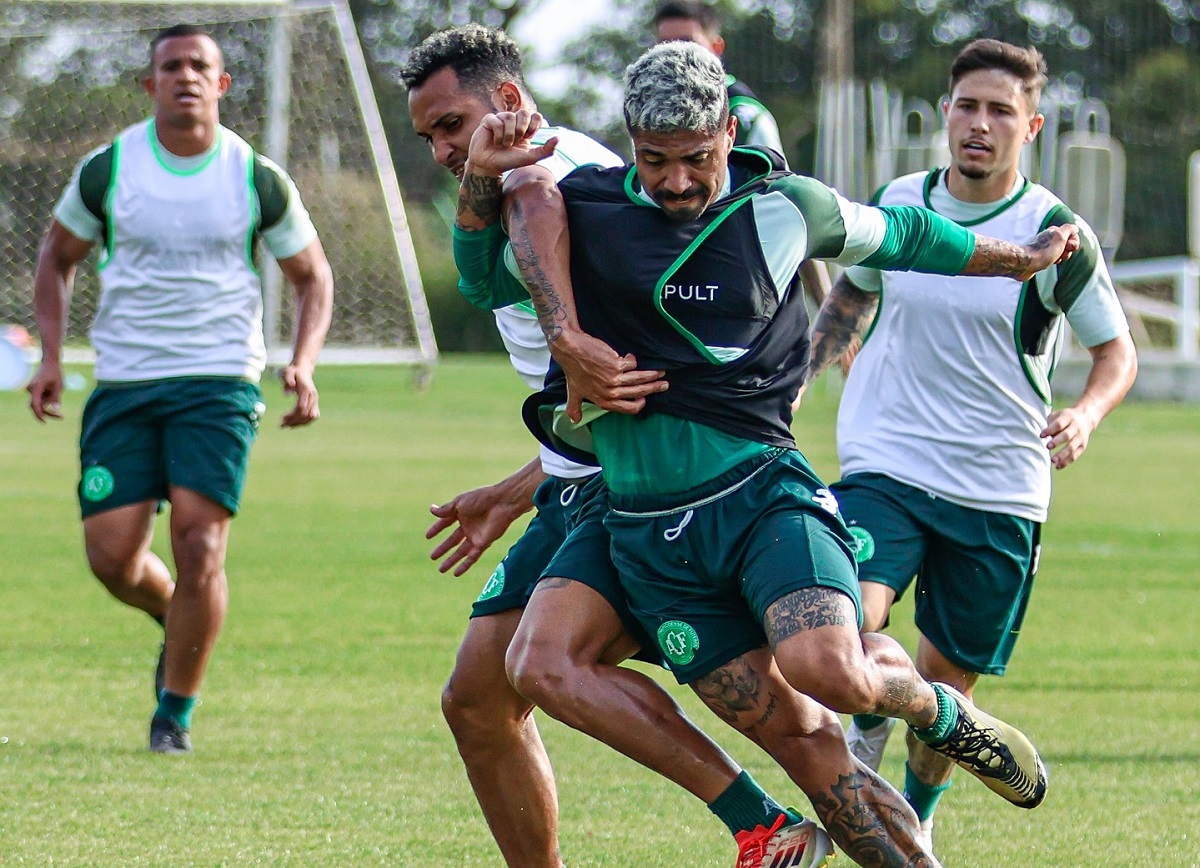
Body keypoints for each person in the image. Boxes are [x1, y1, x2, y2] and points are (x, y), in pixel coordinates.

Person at [455, 40, 1077, 861]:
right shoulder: (586, 211)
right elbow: (482, 281)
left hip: (760, 499)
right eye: (655, 161)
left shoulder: (785, 206)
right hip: (649, 535)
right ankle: (772, 826)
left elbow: (907, 235)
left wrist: (1020, 260)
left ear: (729, 133)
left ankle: (937, 710)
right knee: (795, 734)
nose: (677, 181)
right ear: (631, 144)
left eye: (697, 159)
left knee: (831, 672)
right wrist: (478, 180)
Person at [404, 25, 839, 868]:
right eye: (429, 136)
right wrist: (521, 487)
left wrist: (567, 346)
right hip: (579, 483)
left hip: (643, 491)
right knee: (479, 700)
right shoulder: (512, 181)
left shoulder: (555, 179)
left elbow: (640, 373)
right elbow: (589, 389)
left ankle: (781, 814)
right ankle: (788, 806)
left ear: (507, 100)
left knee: (783, 716)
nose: (443, 149)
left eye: (451, 125)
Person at [803, 38, 1137, 852]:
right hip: (885, 462)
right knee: (845, 621)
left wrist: (1086, 414)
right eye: (968, 106)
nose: (980, 124)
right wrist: (796, 382)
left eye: (1001, 111)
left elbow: (1116, 352)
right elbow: (851, 294)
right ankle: (864, 729)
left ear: (1032, 126)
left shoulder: (1055, 232)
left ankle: (914, 823)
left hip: (998, 488)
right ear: (946, 113)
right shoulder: (899, 202)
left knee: (946, 692)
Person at [27, 24, 334, 755]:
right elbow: (56, 256)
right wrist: (50, 356)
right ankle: (177, 616)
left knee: (200, 544)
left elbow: (312, 275)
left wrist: (304, 361)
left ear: (221, 84)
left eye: (200, 65)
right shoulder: (109, 169)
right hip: (125, 383)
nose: (186, 76)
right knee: (111, 558)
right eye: (172, 66)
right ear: (151, 84)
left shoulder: (255, 176)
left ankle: (174, 714)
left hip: (219, 382)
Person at [652, 0, 835, 323]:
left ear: (716, 47)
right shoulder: (649, 110)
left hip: (739, 279)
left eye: (688, 43)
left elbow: (791, 201)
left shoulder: (746, 116)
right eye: (665, 45)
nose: (676, 55)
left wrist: (827, 310)